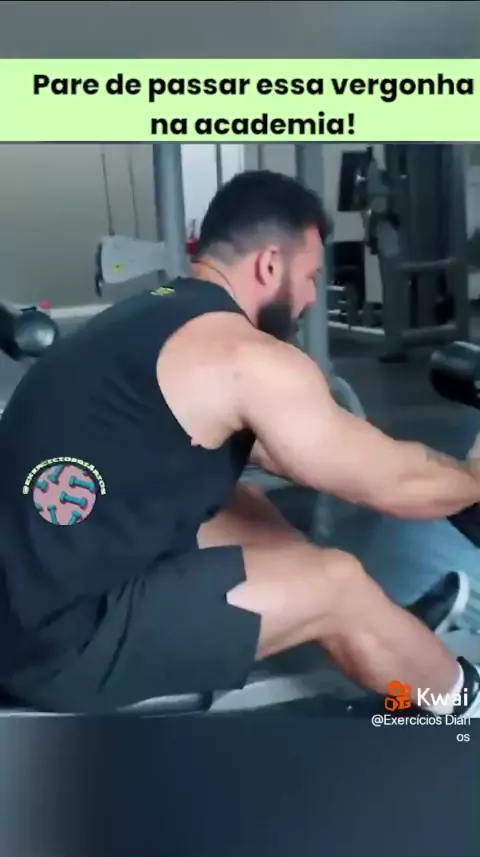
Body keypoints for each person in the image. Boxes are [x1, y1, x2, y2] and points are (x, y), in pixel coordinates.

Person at [0, 168, 480, 717]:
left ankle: (385, 639)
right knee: (338, 582)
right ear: (269, 264)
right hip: (53, 643)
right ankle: (458, 698)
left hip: (26, 596)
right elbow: (395, 483)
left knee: (238, 501)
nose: (310, 297)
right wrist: (471, 478)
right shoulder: (243, 357)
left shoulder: (155, 310)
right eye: (310, 277)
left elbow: (290, 453)